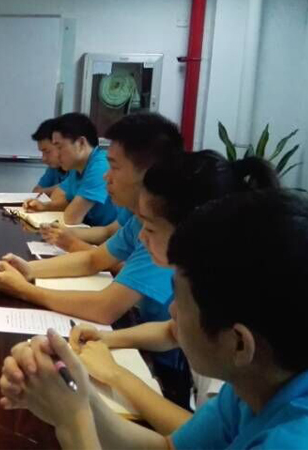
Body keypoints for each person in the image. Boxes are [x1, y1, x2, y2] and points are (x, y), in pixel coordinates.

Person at [0, 189, 308, 449]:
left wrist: (72, 423)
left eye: (181, 302)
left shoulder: (304, 440)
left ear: (238, 343)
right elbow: (168, 447)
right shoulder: (265, 376)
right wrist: (76, 394)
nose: (171, 311)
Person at [69, 150, 279, 434]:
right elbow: (172, 331)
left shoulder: (234, 323)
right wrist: (106, 339)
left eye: (149, 227)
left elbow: (197, 436)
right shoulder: (209, 277)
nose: (141, 236)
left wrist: (115, 376)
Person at [0, 112, 187, 404]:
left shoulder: (164, 229)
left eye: (115, 167)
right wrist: (29, 270)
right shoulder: (140, 220)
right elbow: (94, 260)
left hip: (165, 366)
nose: (107, 176)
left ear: (148, 173)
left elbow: (104, 308)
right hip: (142, 336)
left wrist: (24, 290)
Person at [22, 113, 118, 226]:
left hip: (110, 234)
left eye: (59, 147)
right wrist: (44, 206)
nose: (57, 154)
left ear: (81, 143)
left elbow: (72, 218)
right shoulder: (76, 167)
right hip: (90, 229)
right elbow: (64, 201)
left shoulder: (101, 166)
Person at [31, 118, 68, 196]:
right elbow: (35, 192)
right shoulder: (54, 168)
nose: (43, 159)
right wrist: (61, 187)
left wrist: (65, 187)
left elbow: (71, 187)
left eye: (47, 152)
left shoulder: (78, 168)